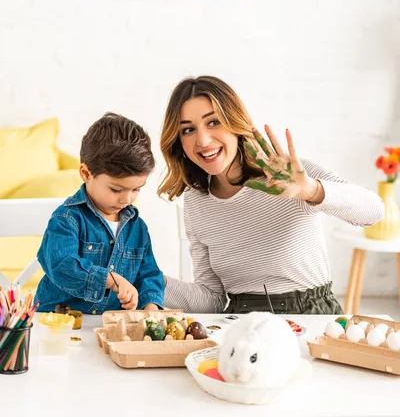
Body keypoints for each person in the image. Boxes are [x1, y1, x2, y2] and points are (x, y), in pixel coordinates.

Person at [158, 76, 383, 315]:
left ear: (235, 123)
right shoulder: (196, 201)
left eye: (213, 122)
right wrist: (150, 280)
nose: (202, 140)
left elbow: (374, 212)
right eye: (188, 130)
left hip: (310, 316)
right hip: (240, 323)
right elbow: (211, 301)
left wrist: (310, 189)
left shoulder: (293, 174)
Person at [35, 113, 164, 314]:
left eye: (136, 189)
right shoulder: (66, 220)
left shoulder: (137, 228)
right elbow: (61, 265)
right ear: (86, 173)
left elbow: (149, 274)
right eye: (116, 189)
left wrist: (151, 306)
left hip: (107, 326)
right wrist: (110, 280)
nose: (127, 199)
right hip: (58, 324)